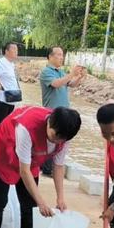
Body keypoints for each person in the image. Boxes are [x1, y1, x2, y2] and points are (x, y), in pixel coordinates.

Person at [0, 105, 82, 228]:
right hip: (6, 152)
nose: (56, 141)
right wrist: (41, 202)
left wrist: (60, 198)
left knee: (29, 209)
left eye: (60, 140)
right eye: (54, 136)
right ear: (49, 122)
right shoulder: (26, 128)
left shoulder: (64, 137)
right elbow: (24, 171)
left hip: (31, 160)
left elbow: (58, 166)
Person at [38, 46, 85, 176]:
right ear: (50, 57)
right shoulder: (46, 72)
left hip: (64, 113)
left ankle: (54, 166)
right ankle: (47, 169)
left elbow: (70, 84)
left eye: (62, 55)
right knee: (50, 141)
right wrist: (71, 74)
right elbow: (56, 84)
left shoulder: (60, 71)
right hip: (52, 113)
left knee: (61, 140)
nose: (61, 57)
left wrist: (79, 77)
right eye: (58, 55)